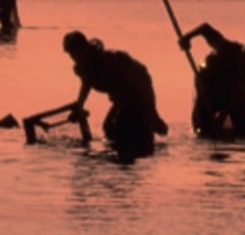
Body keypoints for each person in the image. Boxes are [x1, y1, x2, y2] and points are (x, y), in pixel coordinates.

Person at [63, 31, 168, 163]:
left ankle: (129, 156)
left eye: (75, 52)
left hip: (136, 88)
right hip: (121, 97)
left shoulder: (110, 60)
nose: (74, 57)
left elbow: (141, 86)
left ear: (84, 48)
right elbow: (87, 83)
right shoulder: (82, 68)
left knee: (122, 125)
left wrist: (153, 113)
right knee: (109, 128)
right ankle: (119, 157)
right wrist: (79, 106)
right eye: (71, 54)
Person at [178, 22, 245, 139]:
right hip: (208, 81)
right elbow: (205, 28)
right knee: (204, 121)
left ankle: (241, 131)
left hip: (230, 89)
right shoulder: (227, 48)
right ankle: (204, 131)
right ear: (241, 54)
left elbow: (237, 95)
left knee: (243, 123)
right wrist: (187, 38)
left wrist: (223, 116)